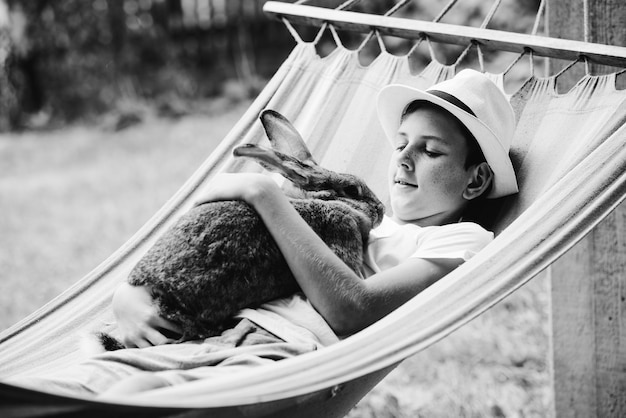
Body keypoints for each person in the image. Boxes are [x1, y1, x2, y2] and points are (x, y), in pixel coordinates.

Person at [7, 69, 519, 397]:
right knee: (68, 384)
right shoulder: (354, 213)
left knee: (133, 397)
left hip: (281, 355)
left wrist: (265, 194)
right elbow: (212, 243)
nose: (404, 158)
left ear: (475, 178)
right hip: (213, 327)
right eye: (402, 142)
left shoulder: (460, 240)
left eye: (430, 151)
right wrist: (130, 292)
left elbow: (354, 309)